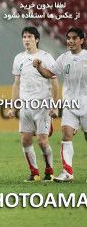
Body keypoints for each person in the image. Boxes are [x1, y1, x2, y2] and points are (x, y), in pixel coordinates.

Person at [33, 27, 86, 182]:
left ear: (82, 40)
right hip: (70, 103)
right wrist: (39, 67)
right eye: (68, 38)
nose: (70, 41)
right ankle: (67, 172)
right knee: (66, 134)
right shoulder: (64, 58)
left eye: (74, 38)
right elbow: (51, 74)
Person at [8, 27, 58, 182]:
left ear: (36, 39)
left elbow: (55, 82)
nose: (26, 39)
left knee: (42, 142)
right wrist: (13, 106)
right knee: (25, 140)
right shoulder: (18, 58)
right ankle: (34, 172)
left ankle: (49, 171)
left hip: (42, 105)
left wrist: (54, 105)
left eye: (30, 36)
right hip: (25, 106)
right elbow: (16, 83)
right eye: (24, 36)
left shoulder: (46, 57)